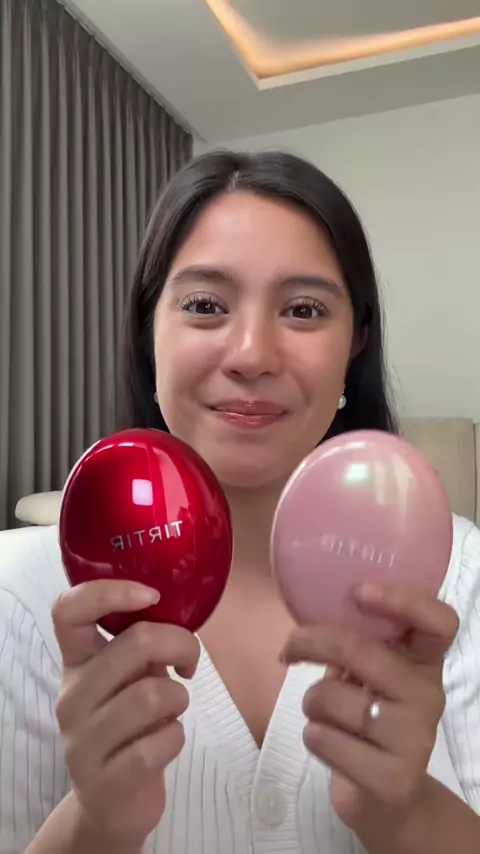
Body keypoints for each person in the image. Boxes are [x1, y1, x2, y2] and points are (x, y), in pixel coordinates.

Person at [0, 150, 479, 854]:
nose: (252, 354)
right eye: (205, 305)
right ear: (148, 333)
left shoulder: (459, 576)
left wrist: (407, 815)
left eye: (304, 310)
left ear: (356, 343)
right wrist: (94, 826)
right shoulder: (22, 596)